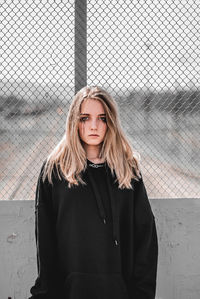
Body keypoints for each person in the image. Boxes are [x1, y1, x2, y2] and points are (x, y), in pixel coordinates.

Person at [29, 86, 158, 299]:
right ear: (73, 122)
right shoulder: (54, 170)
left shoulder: (128, 169)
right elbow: (45, 242)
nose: (94, 126)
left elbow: (145, 238)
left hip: (119, 292)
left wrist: (142, 293)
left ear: (111, 123)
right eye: (85, 118)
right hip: (71, 292)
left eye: (102, 118)